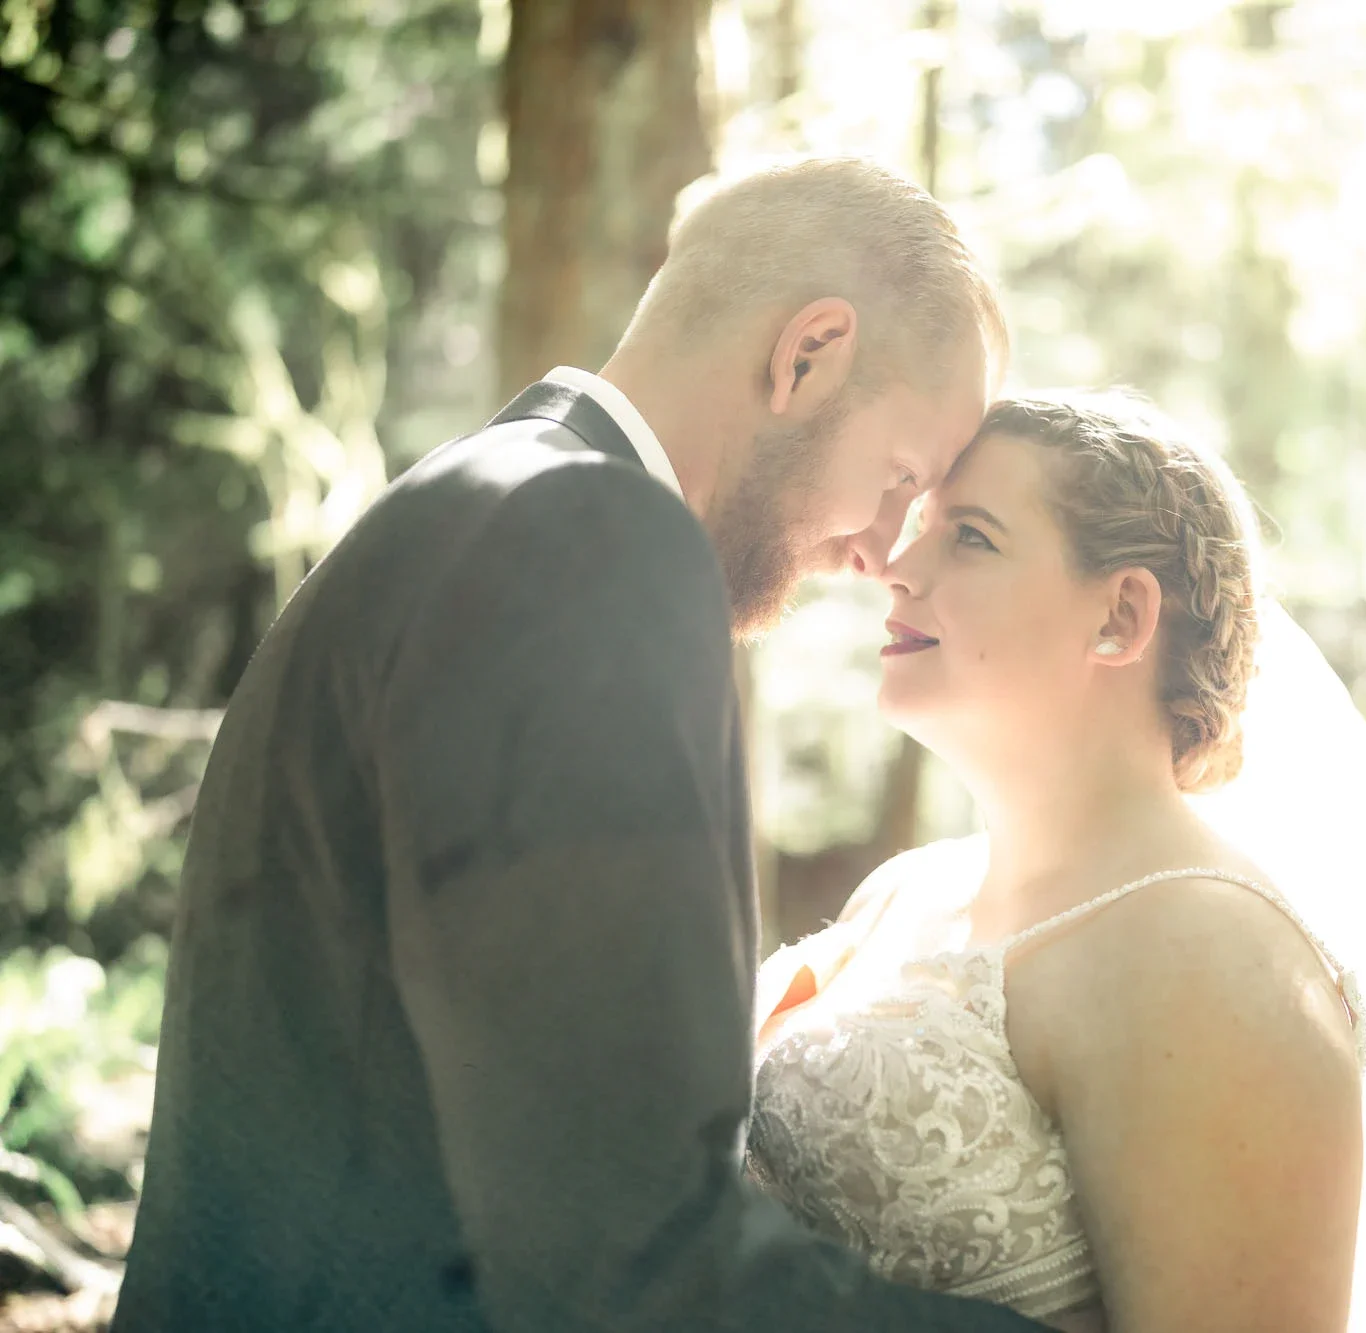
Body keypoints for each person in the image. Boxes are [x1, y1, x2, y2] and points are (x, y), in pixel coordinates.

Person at [113, 157, 1047, 1333]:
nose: (877, 551)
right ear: (806, 353)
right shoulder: (584, 541)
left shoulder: (473, 499)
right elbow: (627, 1256)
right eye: (898, 477)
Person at [747, 395, 1366, 1332]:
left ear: (1121, 616)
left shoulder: (1215, 956)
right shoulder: (903, 889)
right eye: (918, 528)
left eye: (969, 537)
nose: (893, 567)